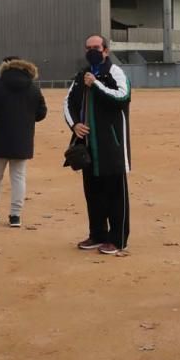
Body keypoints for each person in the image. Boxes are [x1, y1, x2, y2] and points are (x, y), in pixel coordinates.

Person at [63, 34, 132, 255]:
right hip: (87, 146)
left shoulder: (115, 72)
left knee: (115, 194)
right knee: (93, 193)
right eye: (88, 47)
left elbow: (123, 96)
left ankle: (118, 239)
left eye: (96, 47)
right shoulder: (80, 74)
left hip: (112, 145)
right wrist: (74, 125)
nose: (92, 50)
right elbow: (68, 103)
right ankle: (97, 234)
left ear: (105, 50)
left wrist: (97, 84)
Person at [0, 55, 47, 227]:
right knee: (18, 178)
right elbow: (42, 113)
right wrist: (27, 118)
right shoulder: (33, 88)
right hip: (23, 138)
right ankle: (15, 215)